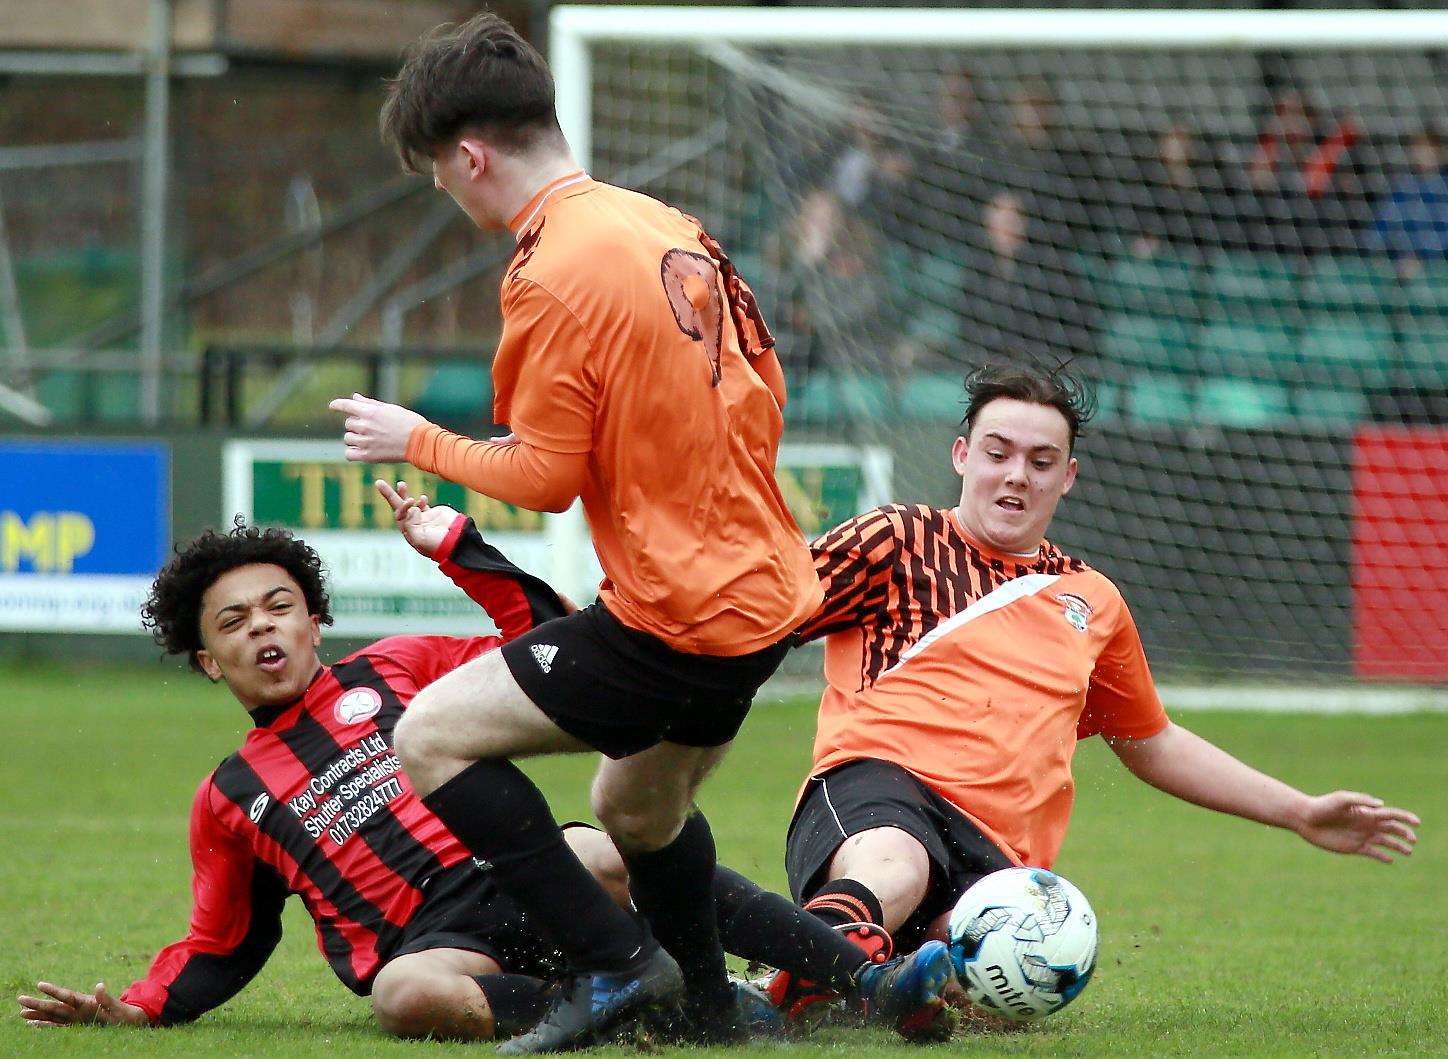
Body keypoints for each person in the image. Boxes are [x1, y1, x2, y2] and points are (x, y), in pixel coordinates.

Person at [15, 483, 953, 1041]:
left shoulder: (398, 667)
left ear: (314, 617)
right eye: (233, 622)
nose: (262, 626)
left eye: (278, 604)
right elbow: (223, 942)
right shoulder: (230, 796)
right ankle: (639, 1010)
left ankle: (870, 980)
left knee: (607, 845)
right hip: (430, 943)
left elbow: (542, 640)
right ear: (205, 660)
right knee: (400, 995)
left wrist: (458, 547)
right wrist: (138, 1009)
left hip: (520, 876)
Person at [327, 12, 825, 1051]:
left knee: (429, 735)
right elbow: (762, 389)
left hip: (676, 614)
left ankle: (613, 964)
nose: (441, 190)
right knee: (635, 813)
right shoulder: (666, 225)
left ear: (471, 155)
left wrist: (414, 437)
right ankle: (703, 1009)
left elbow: (544, 478)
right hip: (766, 596)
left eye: (435, 170)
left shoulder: (550, 270)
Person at [767, 361, 1420, 1017]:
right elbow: (763, 618)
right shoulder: (895, 539)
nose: (1017, 473)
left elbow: (1153, 742)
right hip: (876, 793)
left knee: (998, 985)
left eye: (1041, 460)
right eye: (999, 452)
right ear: (963, 454)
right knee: (898, 864)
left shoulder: (1092, 601)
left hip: (996, 858)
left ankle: (876, 983)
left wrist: (1299, 811)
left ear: (1068, 477)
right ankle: (793, 981)